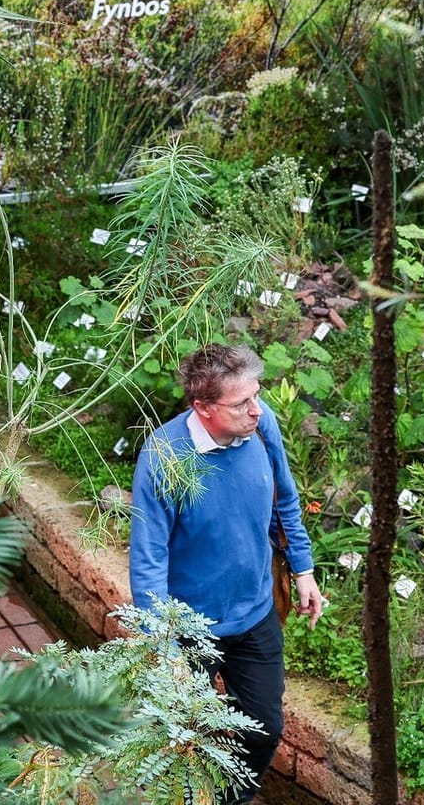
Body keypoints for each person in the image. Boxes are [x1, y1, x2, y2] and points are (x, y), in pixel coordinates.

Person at [129, 343, 326, 803]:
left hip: (254, 613)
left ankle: (227, 799)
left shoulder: (262, 427)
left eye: (257, 395)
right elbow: (149, 560)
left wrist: (303, 569)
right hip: (188, 629)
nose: (256, 410)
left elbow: (285, 501)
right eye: (241, 403)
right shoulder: (164, 457)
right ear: (203, 407)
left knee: (263, 730)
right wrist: (164, 648)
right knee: (183, 742)